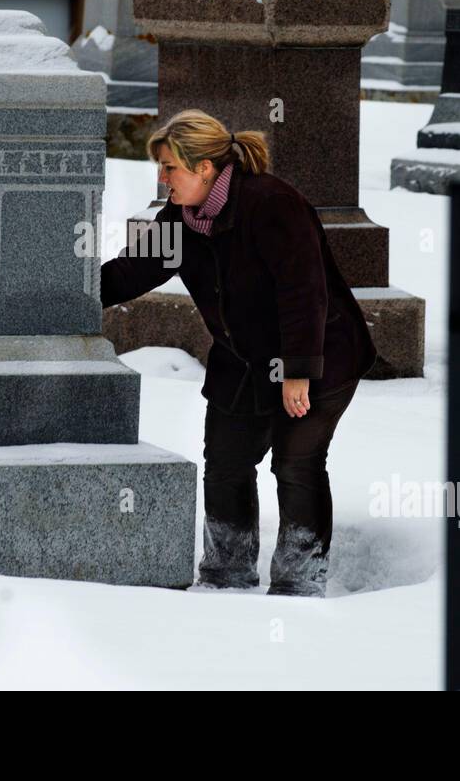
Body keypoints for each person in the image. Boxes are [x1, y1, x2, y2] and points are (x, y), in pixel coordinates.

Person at [100, 109, 377, 597]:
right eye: (160, 169)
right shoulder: (181, 220)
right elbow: (130, 273)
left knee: (296, 463)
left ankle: (299, 580)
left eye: (169, 168)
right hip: (243, 361)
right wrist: (65, 292)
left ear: (205, 167)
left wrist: (297, 373)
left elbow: (303, 292)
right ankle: (226, 576)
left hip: (319, 354)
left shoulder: (272, 204)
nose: (162, 179)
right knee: (226, 461)